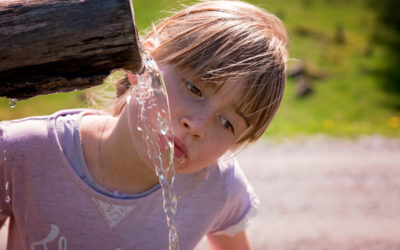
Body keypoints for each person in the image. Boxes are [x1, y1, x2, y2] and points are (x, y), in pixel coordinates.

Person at [0, 0, 288, 249]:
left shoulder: (218, 186)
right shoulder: (21, 153)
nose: (197, 126)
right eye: (194, 89)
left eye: (227, 123)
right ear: (144, 60)